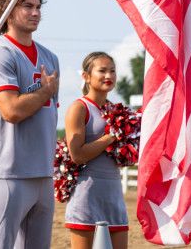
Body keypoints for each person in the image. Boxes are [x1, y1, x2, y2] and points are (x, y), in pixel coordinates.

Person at [0, 0, 60, 249]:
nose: (35, 13)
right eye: (27, 6)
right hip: (9, 172)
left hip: (43, 171)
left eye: (38, 7)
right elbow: (11, 110)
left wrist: (43, 95)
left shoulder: (50, 57)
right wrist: (44, 92)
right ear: (8, 11)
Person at [64, 52, 128, 249]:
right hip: (87, 195)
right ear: (86, 76)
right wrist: (111, 136)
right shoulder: (79, 108)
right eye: (102, 71)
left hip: (113, 193)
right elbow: (77, 155)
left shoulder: (116, 110)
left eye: (112, 71)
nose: (108, 76)